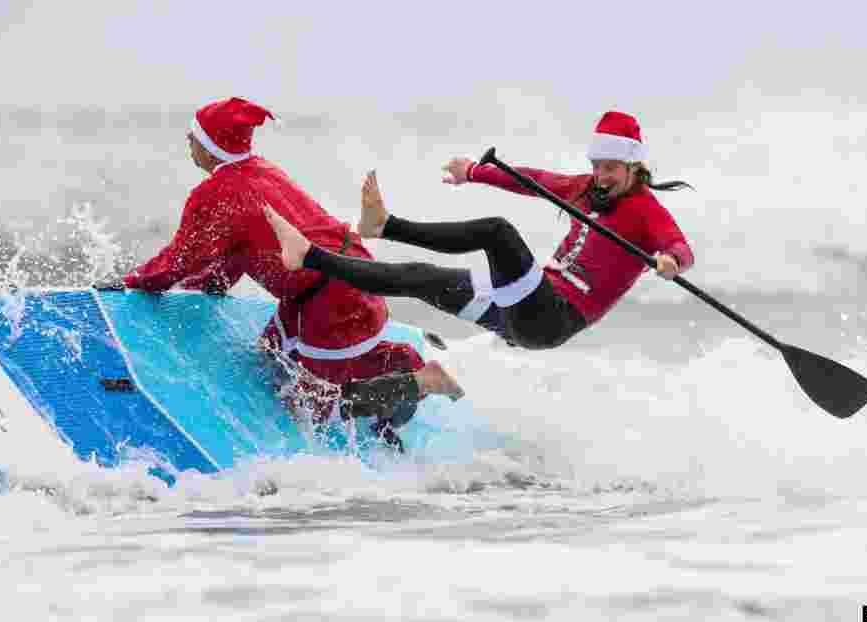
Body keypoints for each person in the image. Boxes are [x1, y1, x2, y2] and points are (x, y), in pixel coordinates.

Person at [100, 97, 463, 451]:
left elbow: (180, 259)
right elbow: (241, 247)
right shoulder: (262, 170)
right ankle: (395, 361)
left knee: (313, 409)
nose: (188, 141)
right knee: (273, 356)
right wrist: (212, 287)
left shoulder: (217, 193)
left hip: (331, 304)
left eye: (193, 136)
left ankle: (419, 381)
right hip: (348, 277)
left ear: (211, 148)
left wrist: (129, 283)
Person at [263, 111, 695, 351]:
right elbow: (536, 181)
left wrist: (671, 261)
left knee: (497, 231)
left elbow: (679, 245)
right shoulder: (585, 187)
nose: (601, 176)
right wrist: (474, 172)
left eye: (611, 169)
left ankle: (387, 226)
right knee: (419, 278)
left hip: (553, 317)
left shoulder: (643, 210)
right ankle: (307, 256)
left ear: (634, 166)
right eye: (597, 166)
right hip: (521, 308)